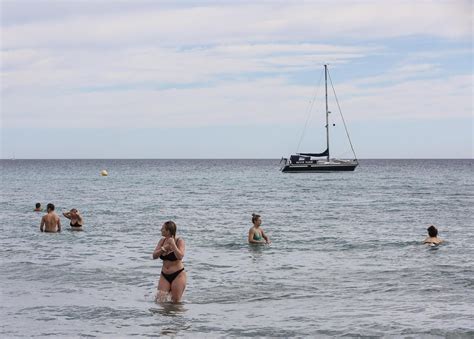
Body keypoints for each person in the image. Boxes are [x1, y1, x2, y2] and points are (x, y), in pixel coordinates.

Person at [152, 221, 186, 303]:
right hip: (164, 275)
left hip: (178, 275)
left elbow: (180, 256)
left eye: (163, 229)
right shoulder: (162, 241)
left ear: (168, 231)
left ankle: (174, 315)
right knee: (159, 300)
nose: (161, 230)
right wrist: (164, 248)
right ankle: (163, 316)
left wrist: (173, 245)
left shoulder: (179, 241)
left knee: (175, 302)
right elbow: (154, 256)